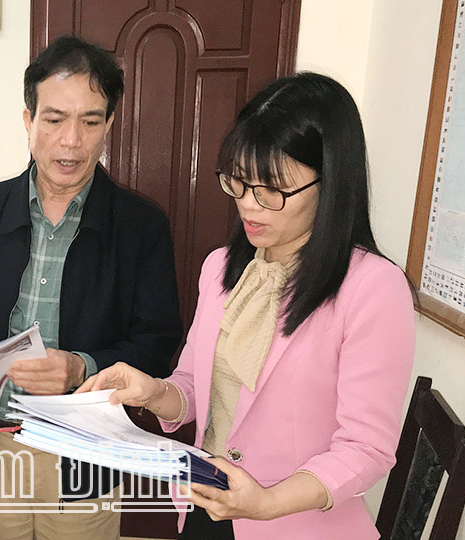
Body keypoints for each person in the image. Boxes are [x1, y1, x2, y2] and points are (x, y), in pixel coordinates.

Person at [78, 72, 416, 540]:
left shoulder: (371, 288)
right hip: (206, 506)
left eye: (271, 190)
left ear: (331, 182)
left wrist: (267, 502)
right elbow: (196, 388)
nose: (248, 206)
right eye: (238, 182)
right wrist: (153, 391)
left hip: (296, 526)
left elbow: (366, 448)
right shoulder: (222, 268)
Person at [0, 35, 183, 540]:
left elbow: (158, 343)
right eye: (55, 119)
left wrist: (82, 366)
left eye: (91, 122)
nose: (72, 141)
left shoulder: (141, 226)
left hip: (88, 449)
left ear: (109, 125)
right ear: (28, 120)